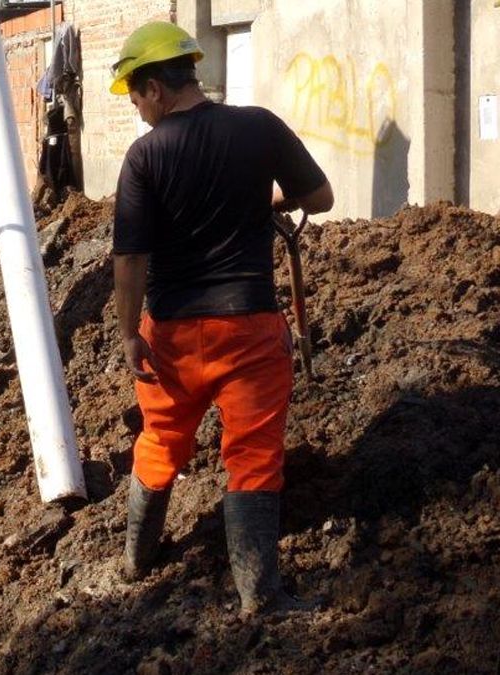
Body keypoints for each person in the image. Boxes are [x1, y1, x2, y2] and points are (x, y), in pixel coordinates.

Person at [109, 22, 334, 615]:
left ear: (156, 87)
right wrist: (267, 202)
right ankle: (260, 593)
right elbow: (320, 198)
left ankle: (136, 561)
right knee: (255, 452)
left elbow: (130, 256)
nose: (136, 111)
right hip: (249, 329)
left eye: (135, 97)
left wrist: (129, 333)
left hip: (172, 335)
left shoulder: (145, 156)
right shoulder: (259, 127)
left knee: (160, 439)